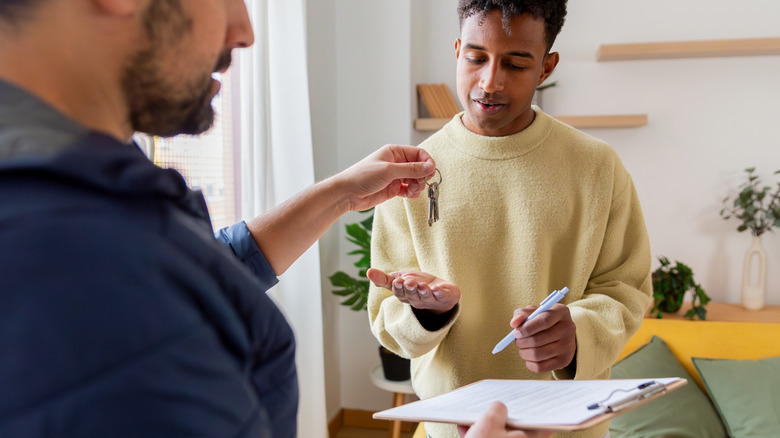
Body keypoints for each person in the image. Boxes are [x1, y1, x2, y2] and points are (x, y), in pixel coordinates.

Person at [0, 1, 441, 437]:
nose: (245, 30)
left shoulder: (80, 193)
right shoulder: (75, 241)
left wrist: (341, 193)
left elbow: (202, 272)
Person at [367, 1, 653, 437]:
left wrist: (578, 334)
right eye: (476, 58)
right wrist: (425, 315)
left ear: (546, 67)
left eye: (516, 64)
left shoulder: (597, 167)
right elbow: (387, 317)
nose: (490, 81)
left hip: (567, 429)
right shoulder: (411, 173)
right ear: (458, 49)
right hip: (451, 429)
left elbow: (626, 288)